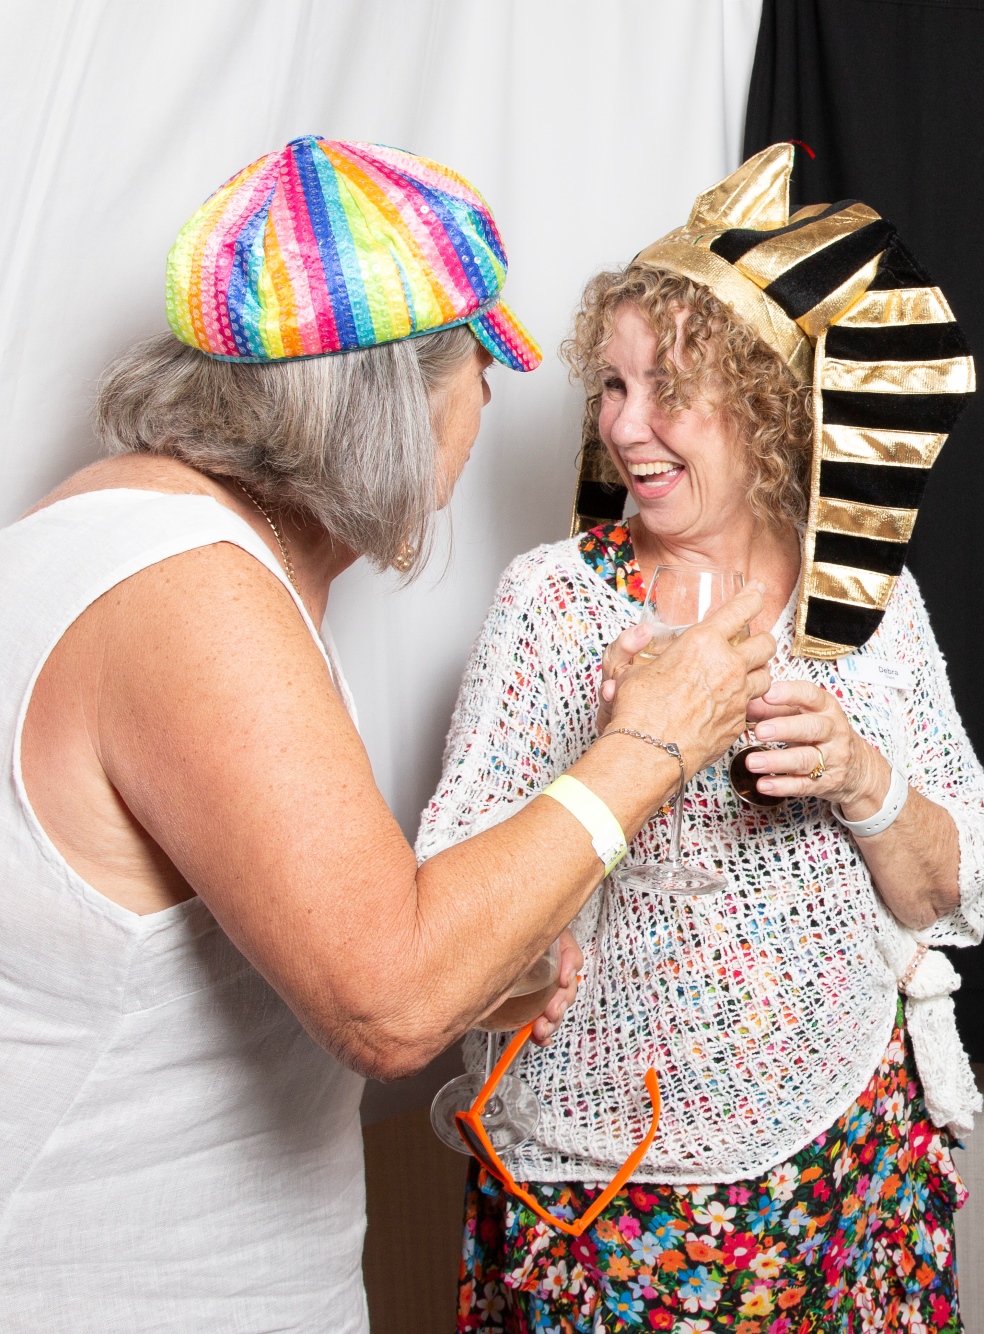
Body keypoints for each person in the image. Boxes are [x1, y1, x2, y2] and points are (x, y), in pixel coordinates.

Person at [0, 137, 774, 1332]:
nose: (486, 408)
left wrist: (482, 960)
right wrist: (649, 744)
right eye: (477, 371)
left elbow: (328, 943)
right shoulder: (188, 594)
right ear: (393, 398)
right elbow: (387, 1000)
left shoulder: (118, 529)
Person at [426, 144, 984, 1332]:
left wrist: (856, 773)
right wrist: (618, 746)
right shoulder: (553, 602)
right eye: (611, 384)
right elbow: (445, 929)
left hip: (844, 1166)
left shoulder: (863, 603)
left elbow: (953, 886)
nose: (626, 425)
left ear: (766, 403)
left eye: (668, 389)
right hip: (605, 1191)